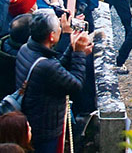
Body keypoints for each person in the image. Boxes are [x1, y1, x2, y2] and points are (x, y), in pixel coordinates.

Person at [16, 10, 92, 153]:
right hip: (45, 126)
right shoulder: (45, 66)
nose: (61, 30)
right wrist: (79, 53)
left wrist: (72, 47)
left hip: (32, 117)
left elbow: (56, 69)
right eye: (59, 28)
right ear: (51, 36)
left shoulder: (26, 48)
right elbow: (76, 84)